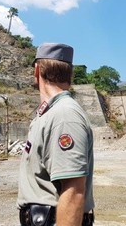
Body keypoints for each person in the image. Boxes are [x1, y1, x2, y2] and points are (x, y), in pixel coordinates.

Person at [17, 43, 95, 226]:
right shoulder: (51, 113)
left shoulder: (64, 116)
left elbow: (74, 191)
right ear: (70, 75)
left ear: (37, 71)